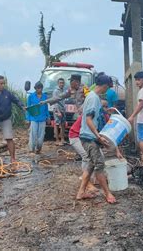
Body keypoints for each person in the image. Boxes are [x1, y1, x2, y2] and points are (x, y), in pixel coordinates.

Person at [76, 74, 117, 204]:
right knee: (99, 164)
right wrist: (98, 136)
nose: (107, 90)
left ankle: (81, 192)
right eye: (107, 88)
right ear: (104, 86)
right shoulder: (93, 98)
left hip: (88, 136)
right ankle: (108, 193)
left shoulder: (93, 97)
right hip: (89, 137)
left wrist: (105, 111)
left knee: (92, 164)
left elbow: (92, 116)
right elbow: (88, 119)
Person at [26, 81, 49, 154]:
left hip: (42, 118)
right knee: (33, 134)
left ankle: (39, 148)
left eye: (40, 88)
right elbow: (28, 108)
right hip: (34, 118)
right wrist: (27, 118)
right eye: (37, 88)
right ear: (35, 89)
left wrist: (48, 116)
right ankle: (31, 149)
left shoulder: (45, 96)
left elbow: (46, 107)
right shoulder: (31, 96)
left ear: (42, 89)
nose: (39, 90)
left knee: (41, 135)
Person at [52, 78, 66, 146]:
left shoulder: (64, 90)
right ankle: (57, 140)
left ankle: (62, 139)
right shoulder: (56, 91)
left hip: (63, 109)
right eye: (60, 83)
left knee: (63, 124)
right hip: (57, 109)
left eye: (62, 83)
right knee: (57, 124)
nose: (61, 84)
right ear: (58, 83)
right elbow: (55, 102)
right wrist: (58, 112)